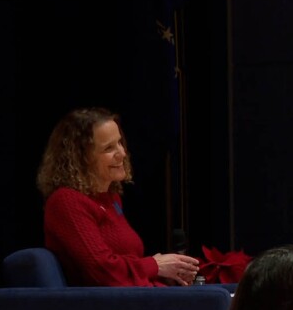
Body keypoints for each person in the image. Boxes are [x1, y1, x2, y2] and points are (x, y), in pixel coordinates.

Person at [36, 107, 200, 286]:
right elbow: (103, 271)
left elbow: (126, 268)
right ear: (80, 158)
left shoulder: (111, 198)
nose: (122, 153)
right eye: (109, 148)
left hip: (138, 300)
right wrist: (154, 265)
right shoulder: (67, 202)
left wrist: (166, 271)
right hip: (108, 309)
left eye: (120, 143)